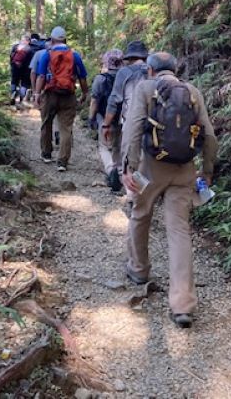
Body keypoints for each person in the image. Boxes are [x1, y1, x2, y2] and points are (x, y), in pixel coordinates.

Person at [121, 52, 218, 329]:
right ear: (176, 70)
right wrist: (207, 171)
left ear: (150, 70)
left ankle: (139, 269)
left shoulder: (144, 88)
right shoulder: (192, 91)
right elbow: (209, 136)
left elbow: (133, 128)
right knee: (179, 230)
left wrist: (127, 166)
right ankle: (183, 304)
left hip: (150, 167)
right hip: (185, 169)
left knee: (140, 213)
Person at [34, 26, 89, 171]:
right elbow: (82, 78)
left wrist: (37, 94)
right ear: (65, 39)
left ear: (51, 40)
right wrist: (84, 93)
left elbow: (40, 76)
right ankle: (62, 162)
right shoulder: (75, 55)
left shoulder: (47, 54)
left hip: (50, 93)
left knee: (46, 123)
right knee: (66, 128)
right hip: (68, 95)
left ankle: (46, 154)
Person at [102, 40, 150, 205]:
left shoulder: (125, 72)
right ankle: (146, 192)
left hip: (131, 120)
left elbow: (115, 100)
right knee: (147, 156)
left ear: (129, 57)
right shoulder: (153, 71)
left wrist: (106, 124)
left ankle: (133, 195)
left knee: (130, 157)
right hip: (155, 122)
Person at [88, 49, 124, 190]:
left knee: (104, 147)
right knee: (118, 147)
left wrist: (91, 118)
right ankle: (120, 174)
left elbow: (95, 100)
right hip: (122, 118)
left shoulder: (101, 79)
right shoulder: (127, 77)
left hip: (105, 118)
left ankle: (111, 171)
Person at [9, 34, 34, 106]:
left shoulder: (15, 47)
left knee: (14, 81)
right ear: (28, 41)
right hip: (26, 69)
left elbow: (11, 57)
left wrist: (12, 65)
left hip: (15, 67)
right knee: (25, 83)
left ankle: (13, 94)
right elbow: (32, 60)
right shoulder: (30, 49)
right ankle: (21, 99)